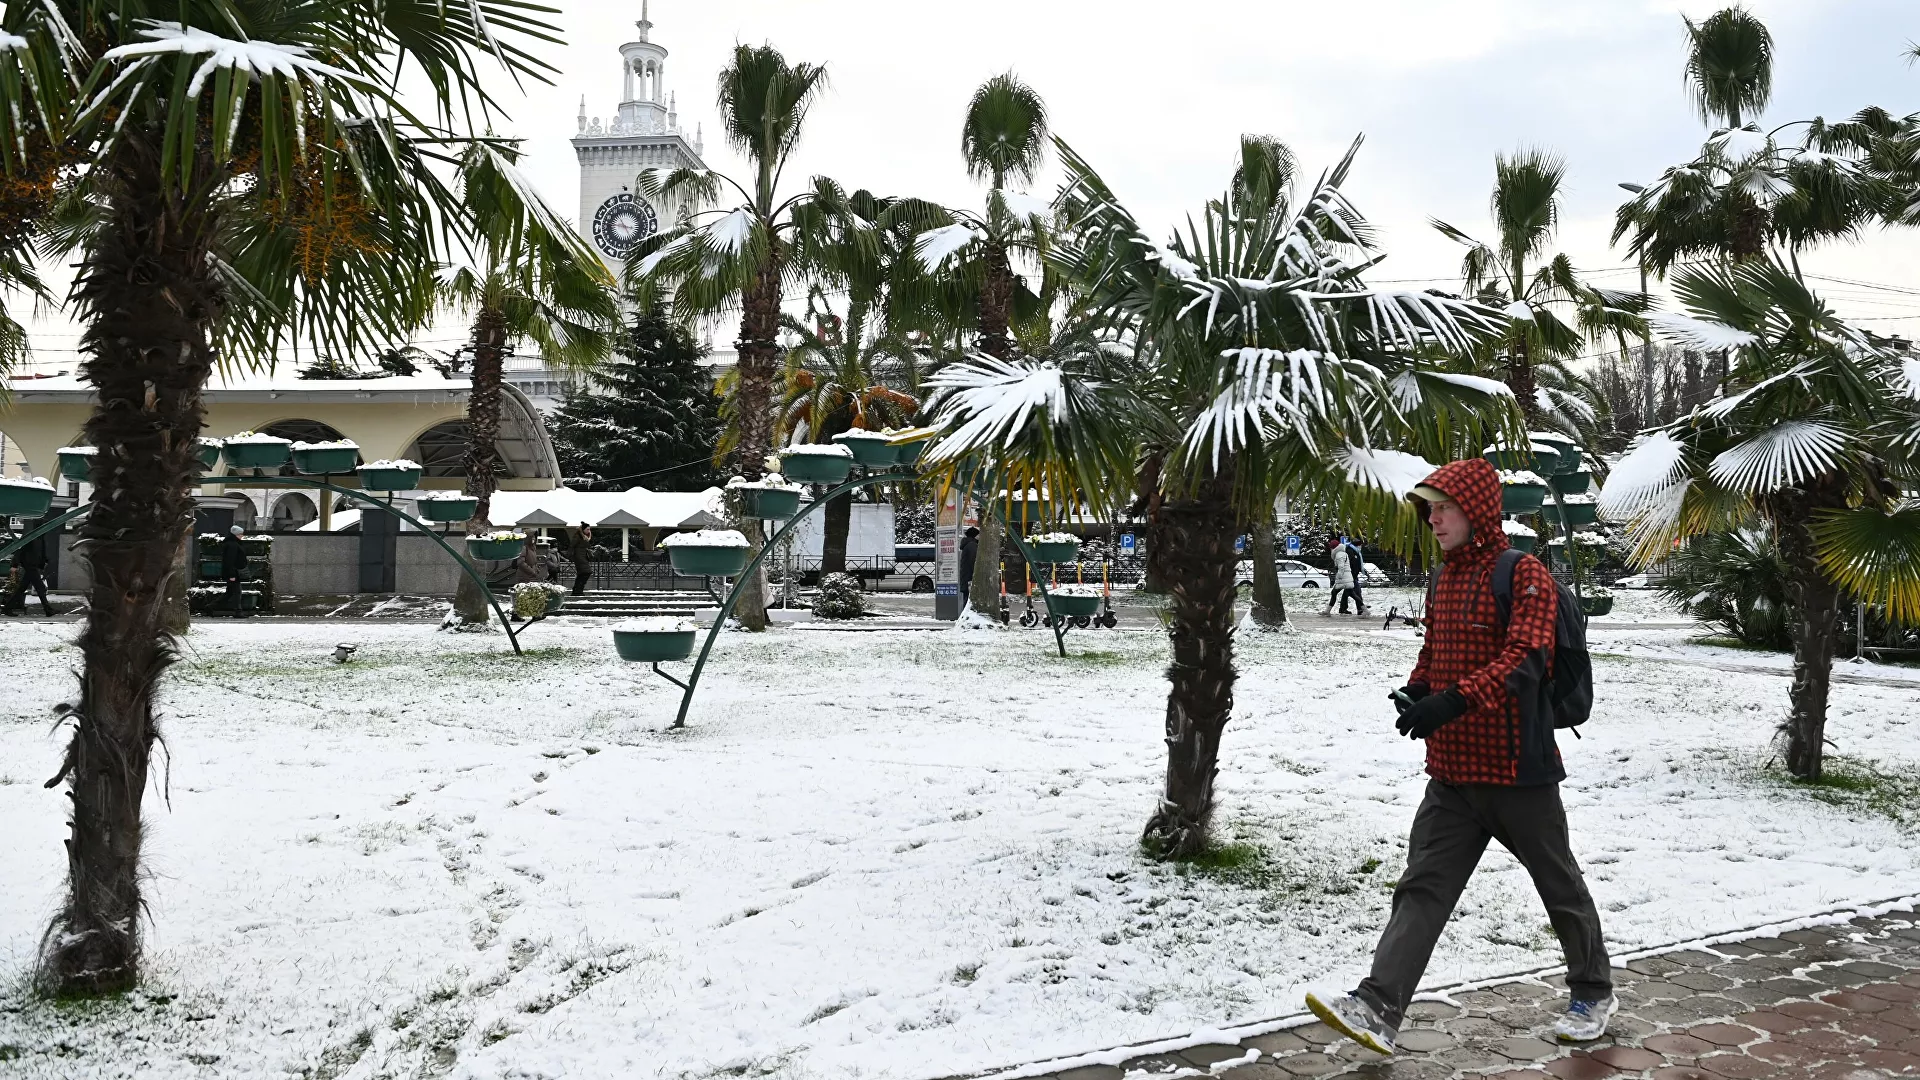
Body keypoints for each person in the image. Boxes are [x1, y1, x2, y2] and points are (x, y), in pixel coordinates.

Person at [1306, 457, 1612, 1055]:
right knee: (1422, 887)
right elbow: (1435, 650)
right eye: (1428, 509)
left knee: (1558, 885)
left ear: (1476, 511)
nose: (1433, 520)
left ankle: (1594, 990)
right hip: (1451, 775)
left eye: (1443, 508)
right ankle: (1378, 1007)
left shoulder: (1524, 576)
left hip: (1517, 772)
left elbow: (1525, 660)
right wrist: (1422, 688)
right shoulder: (1442, 578)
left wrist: (1453, 700)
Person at [220, 524, 250, 617]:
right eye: (240, 534)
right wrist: (232, 575)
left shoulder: (233, 543)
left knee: (230, 593)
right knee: (237, 592)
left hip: (234, 572)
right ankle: (238, 611)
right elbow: (230, 560)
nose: (242, 536)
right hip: (234, 572)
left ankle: (210, 606)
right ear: (236, 535)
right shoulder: (233, 545)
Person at [1322, 535, 1354, 616]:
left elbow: (1341, 567)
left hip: (1343, 578)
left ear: (1333, 548)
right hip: (1346, 577)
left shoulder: (1339, 554)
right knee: (1352, 594)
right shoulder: (1342, 553)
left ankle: (1327, 611)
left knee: (1334, 593)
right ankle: (1364, 609)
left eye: (1330, 548)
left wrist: (1338, 576)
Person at [1341, 537, 1370, 617]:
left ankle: (1343, 608)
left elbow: (1358, 564)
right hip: (1350, 575)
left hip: (1353, 575)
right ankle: (1361, 609)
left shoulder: (1356, 552)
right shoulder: (1350, 551)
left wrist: (1364, 572)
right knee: (1356, 592)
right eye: (1360, 545)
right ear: (1358, 545)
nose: (1361, 547)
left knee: (1347, 592)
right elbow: (1352, 564)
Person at [568, 523, 593, 596]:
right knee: (586, 572)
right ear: (583, 529)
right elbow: (571, 546)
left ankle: (577, 590)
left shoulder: (585, 537)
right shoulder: (578, 536)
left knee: (582, 574)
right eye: (587, 529)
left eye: (589, 529)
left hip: (583, 557)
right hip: (579, 558)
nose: (589, 531)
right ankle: (578, 590)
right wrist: (570, 556)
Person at [959, 526, 980, 596]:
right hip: (970, 579)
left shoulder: (967, 545)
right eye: (978, 535)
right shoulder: (972, 545)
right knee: (970, 602)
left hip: (966, 579)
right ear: (975, 535)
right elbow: (974, 562)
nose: (980, 536)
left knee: (967, 600)